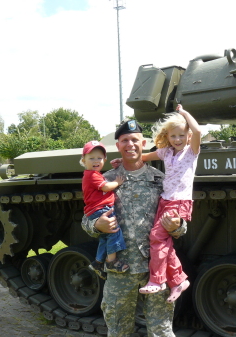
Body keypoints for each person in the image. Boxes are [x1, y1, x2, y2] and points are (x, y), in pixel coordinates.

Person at [81, 120, 187, 337]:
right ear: (118, 146)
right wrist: (96, 225)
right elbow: (86, 219)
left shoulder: (161, 180)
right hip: (121, 270)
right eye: (124, 140)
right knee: (119, 330)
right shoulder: (106, 179)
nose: (130, 144)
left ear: (144, 143)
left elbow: (179, 219)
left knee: (161, 331)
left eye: (135, 140)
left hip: (155, 271)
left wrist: (178, 226)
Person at [136, 103, 201, 303]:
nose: (178, 139)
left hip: (179, 201)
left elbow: (198, 130)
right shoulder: (166, 152)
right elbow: (144, 157)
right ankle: (178, 280)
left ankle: (157, 280)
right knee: (164, 243)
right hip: (165, 200)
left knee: (156, 237)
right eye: (173, 136)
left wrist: (183, 113)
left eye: (182, 135)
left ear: (188, 136)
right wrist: (124, 162)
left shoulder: (191, 151)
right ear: (168, 137)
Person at [80, 140, 128, 280]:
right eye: (91, 158)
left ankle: (98, 262)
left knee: (105, 237)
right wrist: (117, 183)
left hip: (98, 209)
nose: (96, 161)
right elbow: (106, 187)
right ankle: (111, 262)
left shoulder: (95, 174)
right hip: (101, 209)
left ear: (105, 159)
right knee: (114, 232)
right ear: (84, 160)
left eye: (99, 158)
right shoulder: (92, 175)